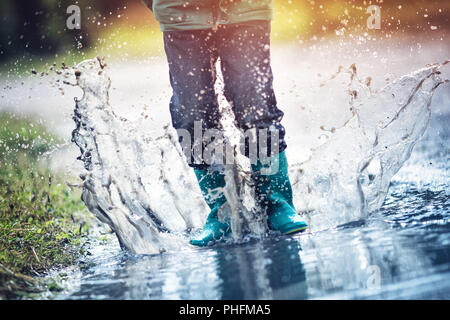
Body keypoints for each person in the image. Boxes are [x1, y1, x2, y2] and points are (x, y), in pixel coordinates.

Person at [143, 0, 308, 246]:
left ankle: (276, 202)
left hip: (246, 10)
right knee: (193, 115)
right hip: (180, 14)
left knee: (256, 106)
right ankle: (222, 210)